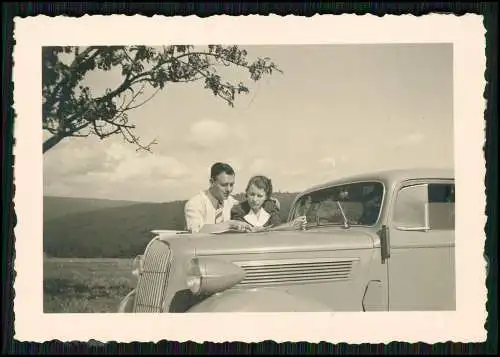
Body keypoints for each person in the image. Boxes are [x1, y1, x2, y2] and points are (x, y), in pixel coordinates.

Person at [184, 162, 252, 233]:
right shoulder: (195, 204)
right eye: (224, 185)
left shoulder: (231, 202)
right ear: (212, 182)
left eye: (231, 185)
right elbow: (196, 230)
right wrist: (229, 224)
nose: (229, 189)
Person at [231, 175, 307, 232]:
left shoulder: (270, 208)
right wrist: (289, 225)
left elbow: (278, 228)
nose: (254, 199)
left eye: (259, 196)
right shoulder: (238, 210)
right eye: (252, 194)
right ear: (246, 193)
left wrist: (295, 224)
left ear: (266, 197)